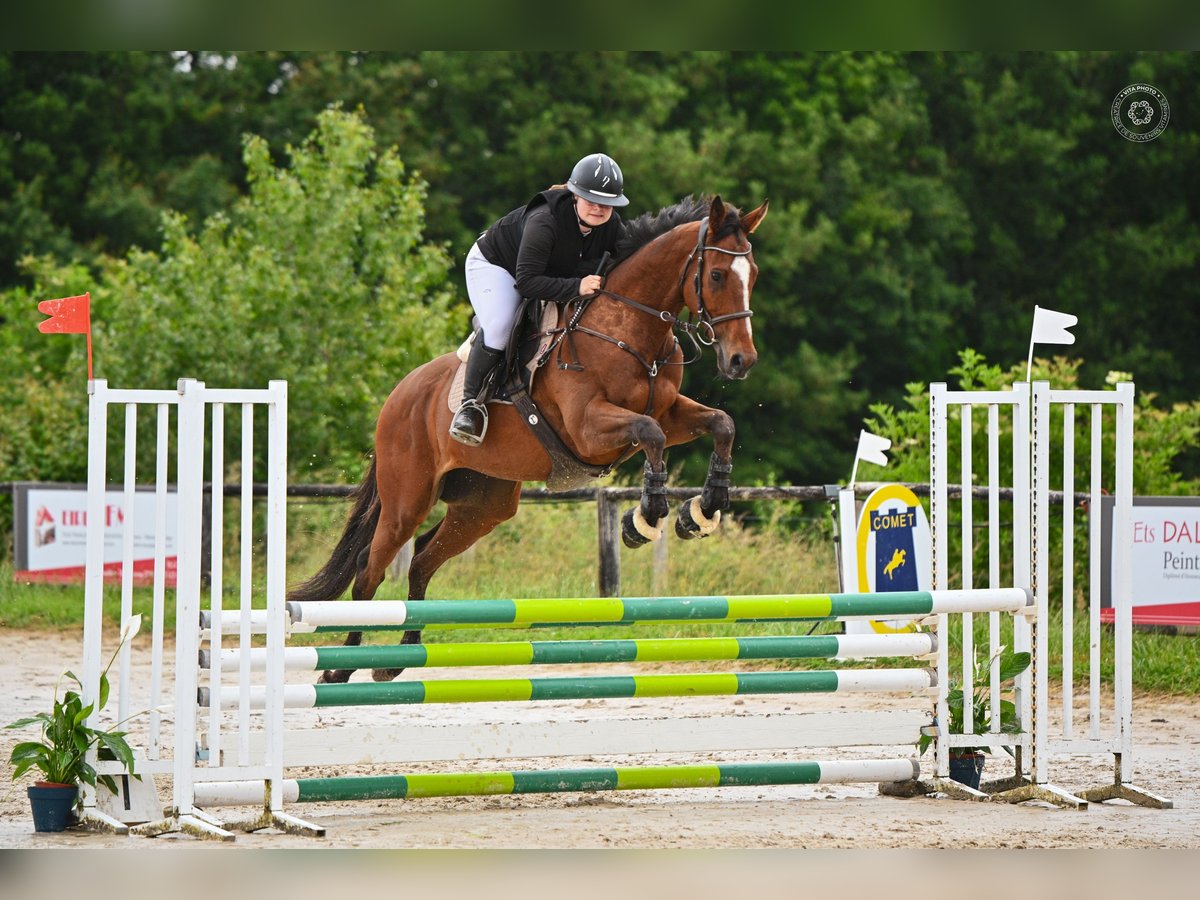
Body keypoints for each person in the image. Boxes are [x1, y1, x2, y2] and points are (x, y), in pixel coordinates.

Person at [449, 152, 631, 446]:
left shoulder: (612, 226)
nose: (599, 208)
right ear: (575, 195)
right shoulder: (545, 221)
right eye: (591, 200)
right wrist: (576, 287)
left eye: (607, 203)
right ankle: (470, 405)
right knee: (501, 325)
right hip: (498, 266)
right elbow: (528, 282)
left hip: (547, 272)